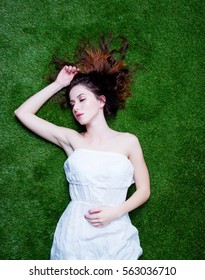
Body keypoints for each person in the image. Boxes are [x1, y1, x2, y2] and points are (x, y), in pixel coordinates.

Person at [14, 35, 150, 260]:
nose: (76, 107)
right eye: (72, 103)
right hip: (75, 232)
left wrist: (115, 212)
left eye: (82, 99)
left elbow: (144, 190)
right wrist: (59, 84)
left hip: (116, 230)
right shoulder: (72, 139)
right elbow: (23, 113)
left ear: (101, 101)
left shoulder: (128, 141)